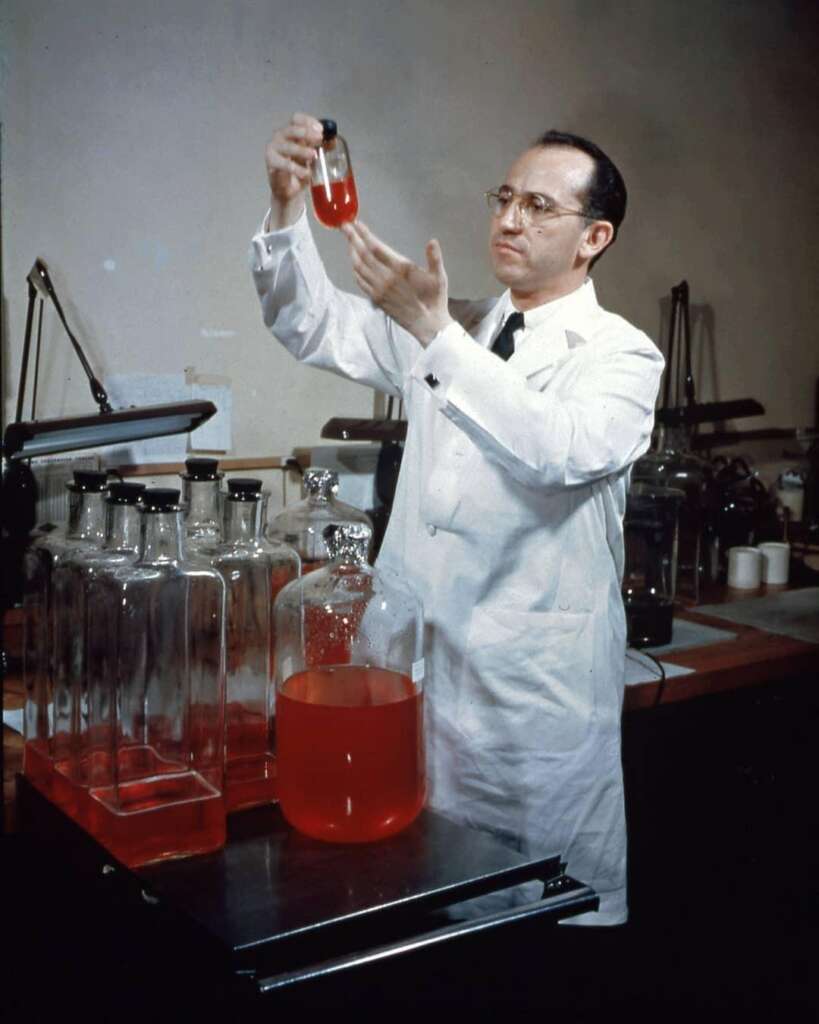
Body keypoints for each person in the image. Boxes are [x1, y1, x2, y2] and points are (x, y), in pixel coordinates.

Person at [250, 112, 664, 925]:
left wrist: (435, 331)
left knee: (529, 936)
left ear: (593, 237)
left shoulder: (620, 355)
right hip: (414, 696)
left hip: (527, 711)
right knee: (414, 923)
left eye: (540, 207)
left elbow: (556, 448)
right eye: (504, 197)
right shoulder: (458, 326)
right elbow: (311, 322)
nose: (509, 219)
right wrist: (286, 208)